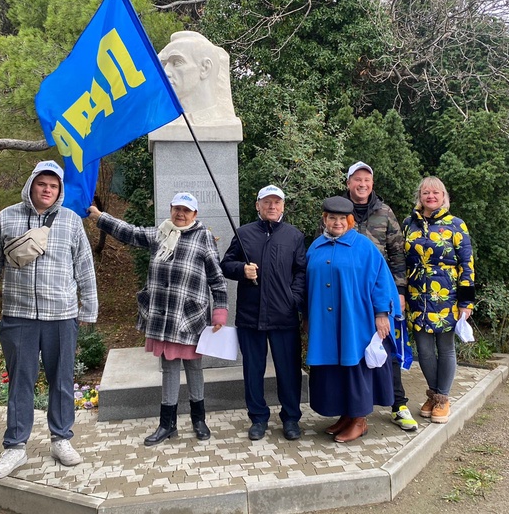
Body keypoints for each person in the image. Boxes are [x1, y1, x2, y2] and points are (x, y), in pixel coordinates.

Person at [0, 160, 98, 480]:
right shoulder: (7, 217)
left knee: (61, 381)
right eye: (42, 184)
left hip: (62, 316)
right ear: (31, 185)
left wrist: (89, 309)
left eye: (54, 186)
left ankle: (61, 439)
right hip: (18, 316)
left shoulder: (70, 221)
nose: (47, 190)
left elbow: (84, 267)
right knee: (21, 383)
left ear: (60, 191)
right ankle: (15, 446)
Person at [87, 192, 228, 445]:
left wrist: (220, 311)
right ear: (171, 209)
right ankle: (167, 424)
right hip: (164, 317)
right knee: (170, 368)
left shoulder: (203, 236)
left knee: (194, 368)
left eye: (186, 210)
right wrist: (101, 217)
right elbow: (129, 232)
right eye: (176, 209)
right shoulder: (161, 233)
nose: (180, 214)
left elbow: (217, 279)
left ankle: (199, 420)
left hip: (190, 316)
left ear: (195, 214)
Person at [305, 196, 400, 443]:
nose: (337, 223)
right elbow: (306, 285)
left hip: (355, 321)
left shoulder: (364, 247)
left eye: (341, 219)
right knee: (334, 370)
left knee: (354, 367)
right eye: (331, 218)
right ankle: (346, 416)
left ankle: (359, 420)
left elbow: (381, 281)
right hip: (325, 325)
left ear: (349, 220)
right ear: (325, 220)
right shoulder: (315, 247)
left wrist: (382, 315)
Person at [220, 185, 306, 441]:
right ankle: (258, 418)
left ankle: (291, 418)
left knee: (288, 371)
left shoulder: (294, 236)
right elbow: (226, 264)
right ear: (257, 205)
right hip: (250, 316)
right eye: (266, 202)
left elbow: (301, 271)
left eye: (276, 202)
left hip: (284, 316)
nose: (272, 206)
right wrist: (241, 270)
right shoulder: (244, 233)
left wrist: (294, 298)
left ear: (283, 206)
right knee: (253, 370)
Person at [344, 161, 417, 431]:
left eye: (367, 180)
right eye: (357, 180)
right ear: (348, 183)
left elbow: (398, 254)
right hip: (349, 295)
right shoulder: (338, 212)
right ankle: (353, 410)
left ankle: (398, 405)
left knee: (389, 350)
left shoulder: (385, 212)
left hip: (381, 293)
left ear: (372, 184)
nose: (362, 185)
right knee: (355, 350)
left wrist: (399, 291)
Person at [403, 176, 475, 424]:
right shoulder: (408, 224)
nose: (431, 197)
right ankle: (434, 396)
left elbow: (467, 265)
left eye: (436, 193)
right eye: (426, 193)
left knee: (445, 348)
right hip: (417, 297)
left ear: (444, 197)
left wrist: (466, 303)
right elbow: (400, 261)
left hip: (447, 297)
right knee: (423, 350)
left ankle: (442, 398)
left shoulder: (456, 225)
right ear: (419, 197)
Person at [158, 30, 236, 125]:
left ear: (205, 68)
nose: (166, 72)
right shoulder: (163, 123)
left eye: (177, 62)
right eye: (164, 64)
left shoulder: (226, 124)